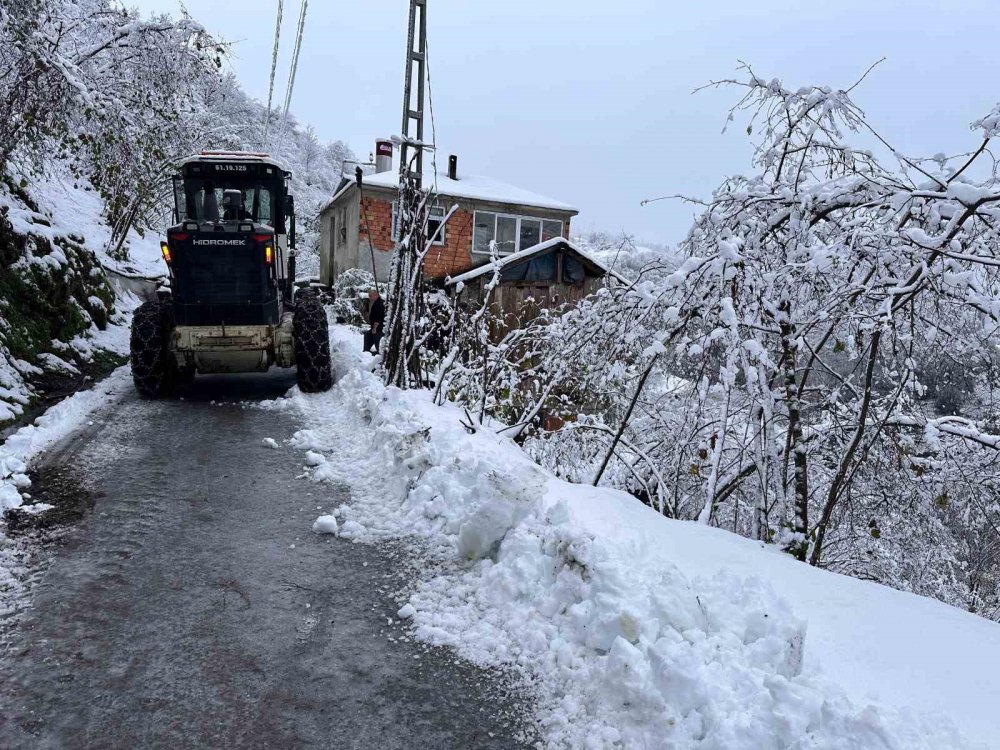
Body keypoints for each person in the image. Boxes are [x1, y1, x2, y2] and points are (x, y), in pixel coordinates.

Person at [366, 289, 385, 354]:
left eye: (370, 296)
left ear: (375, 295)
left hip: (378, 328)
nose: (369, 298)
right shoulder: (377, 302)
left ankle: (380, 356)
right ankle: (366, 352)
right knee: (368, 335)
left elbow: (378, 317)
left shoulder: (379, 304)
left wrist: (374, 328)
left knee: (378, 343)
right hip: (377, 328)